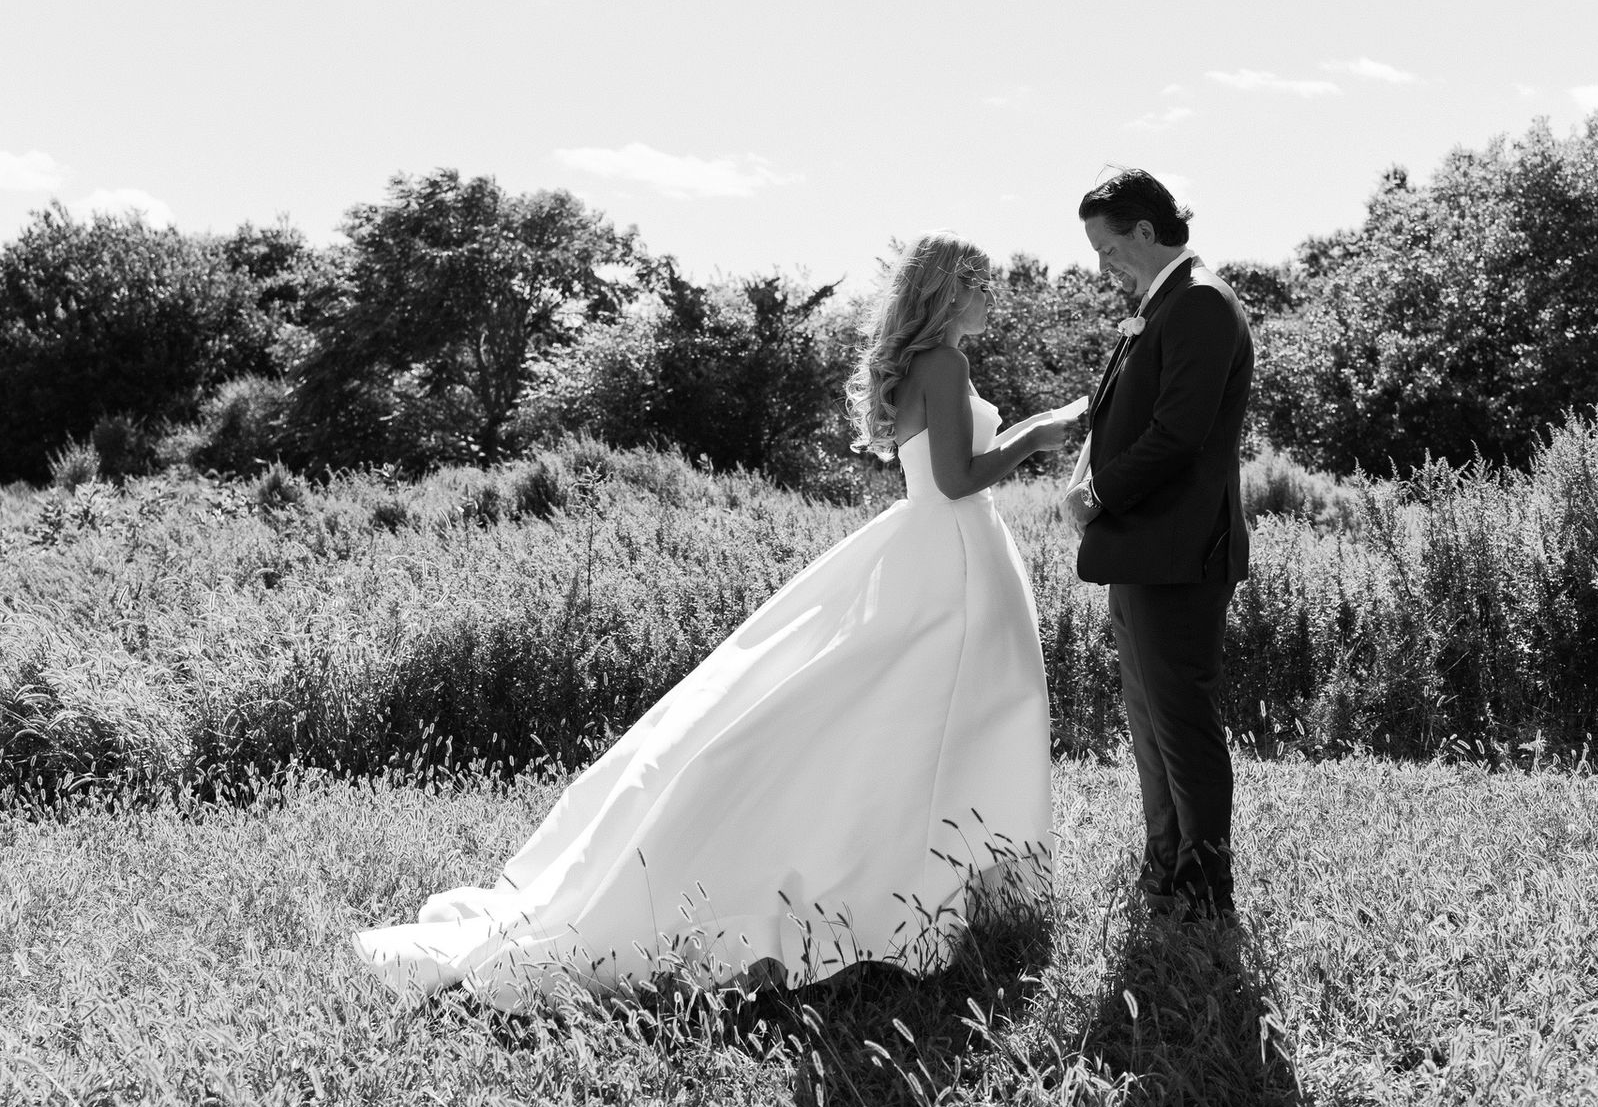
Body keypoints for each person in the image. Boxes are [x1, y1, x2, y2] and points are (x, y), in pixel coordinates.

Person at [355, 231, 1082, 1011]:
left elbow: (944, 469)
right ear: (948, 291)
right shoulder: (945, 364)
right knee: (960, 714)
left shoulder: (924, 365)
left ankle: (944, 883)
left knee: (928, 718)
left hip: (935, 547)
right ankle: (935, 885)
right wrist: (1040, 436)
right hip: (955, 558)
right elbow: (957, 476)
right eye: (981, 285)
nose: (992, 299)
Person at [1064, 170, 1254, 922]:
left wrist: (1098, 494)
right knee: (1149, 724)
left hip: (1181, 554)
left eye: (1108, 247)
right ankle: (1164, 869)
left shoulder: (1201, 301)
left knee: (1182, 724)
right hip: (1145, 552)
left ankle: (1205, 889)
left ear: (1146, 232)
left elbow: (1179, 433)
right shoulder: (1163, 302)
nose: (1102, 265)